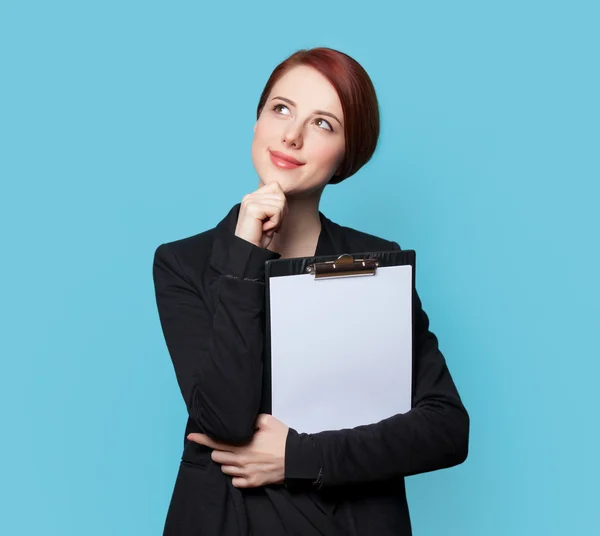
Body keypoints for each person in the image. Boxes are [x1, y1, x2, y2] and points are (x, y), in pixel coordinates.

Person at [152, 47, 470, 536]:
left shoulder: (376, 263)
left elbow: (446, 428)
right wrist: (244, 256)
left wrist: (298, 456)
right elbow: (225, 419)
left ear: (348, 154)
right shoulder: (183, 263)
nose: (292, 135)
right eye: (281, 109)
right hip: (227, 521)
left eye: (323, 123)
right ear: (257, 121)